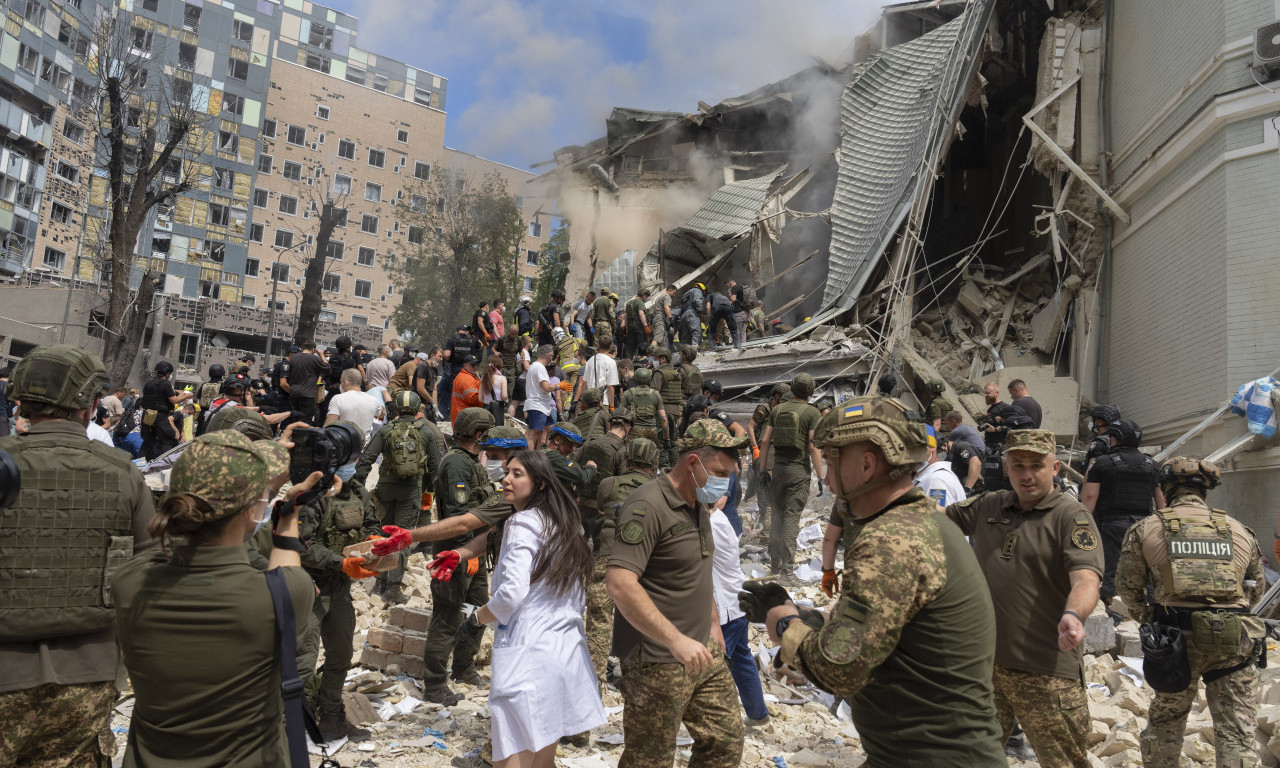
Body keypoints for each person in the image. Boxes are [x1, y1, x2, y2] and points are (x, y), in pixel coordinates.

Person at [746, 395, 1005, 764]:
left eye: (833, 463)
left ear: (867, 465)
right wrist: (803, 615)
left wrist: (785, 626)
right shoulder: (916, 522)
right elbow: (883, 629)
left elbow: (838, 670)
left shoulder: (891, 540)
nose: (829, 480)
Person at [111, 429, 318, 767]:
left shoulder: (129, 582)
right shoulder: (283, 594)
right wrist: (288, 513)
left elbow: (161, 553)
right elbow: (286, 564)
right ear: (253, 512)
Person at [0, 346, 155, 768]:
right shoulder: (123, 472)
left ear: (20, 401)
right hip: (87, 672)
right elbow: (151, 573)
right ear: (89, 405)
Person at [944, 429, 1103, 768]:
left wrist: (1073, 615)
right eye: (1018, 466)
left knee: (1064, 763)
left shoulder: (1071, 517)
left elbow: (1087, 578)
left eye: (1037, 465)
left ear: (1055, 468)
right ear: (1006, 468)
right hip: (986, 669)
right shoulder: (991, 504)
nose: (1027, 475)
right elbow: (939, 517)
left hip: (1046, 672)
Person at [607, 419, 746, 768]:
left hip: (702, 648)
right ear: (693, 463)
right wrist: (674, 640)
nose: (724, 481)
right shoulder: (648, 506)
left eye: (728, 473)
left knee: (725, 742)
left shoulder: (698, 503)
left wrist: (713, 621)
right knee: (649, 759)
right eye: (719, 471)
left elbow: (698, 568)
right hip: (657, 657)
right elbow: (620, 583)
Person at [455, 450, 605, 766]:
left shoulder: (522, 523)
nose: (506, 479)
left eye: (517, 474)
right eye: (506, 472)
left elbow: (511, 595)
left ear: (539, 484)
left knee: (510, 759)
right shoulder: (564, 526)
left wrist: (476, 619)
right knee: (543, 761)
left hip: (528, 655)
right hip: (565, 654)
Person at [1115, 457, 1266, 768]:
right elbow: (1255, 590)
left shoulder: (1146, 528)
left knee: (1167, 722)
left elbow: (1129, 588)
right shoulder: (1239, 530)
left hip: (1175, 641)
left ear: (1167, 489)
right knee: (1237, 734)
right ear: (1205, 491)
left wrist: (1149, 619)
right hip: (1234, 638)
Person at [295, 423, 381, 742]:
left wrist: (376, 544)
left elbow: (372, 523)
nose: (355, 465)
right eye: (353, 458)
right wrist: (340, 562)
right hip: (310, 588)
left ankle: (331, 716)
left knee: (341, 654)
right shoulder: (310, 492)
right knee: (303, 659)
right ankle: (292, 724)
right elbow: (301, 544)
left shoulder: (355, 489)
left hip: (340, 587)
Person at [422, 407, 497, 704]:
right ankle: (435, 683)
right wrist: (467, 552)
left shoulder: (469, 462)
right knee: (448, 614)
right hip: (456, 552)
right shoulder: (456, 464)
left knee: (476, 610)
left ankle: (464, 667)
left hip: (473, 551)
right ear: (479, 434)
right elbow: (457, 513)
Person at [354, 391, 429, 605]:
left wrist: (358, 488)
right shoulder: (425, 431)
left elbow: (367, 459)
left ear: (394, 409)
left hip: (385, 489)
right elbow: (434, 466)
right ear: (417, 410)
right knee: (402, 538)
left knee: (382, 535)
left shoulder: (386, 430)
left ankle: (379, 582)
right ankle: (394, 588)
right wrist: (428, 491)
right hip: (411, 490)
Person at [1080, 418, 1163, 609]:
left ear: (1115, 439)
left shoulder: (1101, 463)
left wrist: (1083, 525)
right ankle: (1147, 610)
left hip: (1111, 527)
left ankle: (1110, 610)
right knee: (1146, 571)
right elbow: (1162, 503)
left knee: (1111, 572)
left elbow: (1090, 497)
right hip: (1145, 528)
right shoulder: (1154, 465)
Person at [707, 494, 769, 726]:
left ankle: (717, 727)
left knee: (710, 671)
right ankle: (757, 713)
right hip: (737, 602)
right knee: (742, 659)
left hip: (725, 609)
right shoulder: (718, 518)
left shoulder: (710, 524)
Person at [757, 373, 824, 579]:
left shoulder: (777, 410)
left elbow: (765, 442)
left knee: (776, 516)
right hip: (799, 473)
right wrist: (821, 476)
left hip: (777, 471)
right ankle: (787, 572)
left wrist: (762, 470)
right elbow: (813, 447)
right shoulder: (812, 413)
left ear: (792, 389)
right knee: (791, 520)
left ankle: (775, 565)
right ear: (810, 391)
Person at [576, 409, 631, 554]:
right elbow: (622, 481)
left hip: (580, 502)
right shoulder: (621, 450)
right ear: (628, 428)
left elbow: (573, 467)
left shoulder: (589, 443)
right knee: (599, 549)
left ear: (610, 424)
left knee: (577, 544)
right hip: (601, 509)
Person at [746, 383, 790, 531]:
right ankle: (764, 519)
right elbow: (750, 427)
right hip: (761, 450)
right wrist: (754, 448)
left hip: (773, 452)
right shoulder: (765, 409)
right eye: (782, 397)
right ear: (776, 395)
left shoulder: (782, 410)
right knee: (763, 488)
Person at [139, 360, 193, 460]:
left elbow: (158, 396)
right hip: (160, 416)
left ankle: (141, 463)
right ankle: (160, 463)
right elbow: (174, 400)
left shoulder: (149, 382)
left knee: (148, 441)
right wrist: (187, 396)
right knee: (169, 440)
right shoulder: (165, 384)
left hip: (147, 415)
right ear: (167, 373)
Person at [914, 426, 966, 507]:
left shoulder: (936, 481)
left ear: (932, 448)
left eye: (918, 446)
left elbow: (939, 518)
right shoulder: (931, 475)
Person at [325, 368, 384, 438]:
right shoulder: (373, 400)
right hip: (365, 446)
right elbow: (382, 413)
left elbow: (329, 426)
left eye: (341, 381)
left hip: (345, 444)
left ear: (346, 382)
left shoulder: (338, 399)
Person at [619, 367, 668, 447]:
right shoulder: (656, 395)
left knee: (630, 455)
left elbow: (620, 415)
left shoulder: (628, 393)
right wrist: (667, 438)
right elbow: (663, 418)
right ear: (649, 379)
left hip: (633, 430)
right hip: (651, 431)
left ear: (635, 379)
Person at [286, 340, 329, 423]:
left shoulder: (293, 358)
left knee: (294, 419)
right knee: (305, 420)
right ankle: (302, 435)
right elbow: (328, 369)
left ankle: (294, 435)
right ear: (313, 350)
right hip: (308, 395)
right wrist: (322, 356)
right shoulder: (315, 359)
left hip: (294, 393)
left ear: (302, 348)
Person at [524, 344, 556, 450]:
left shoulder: (534, 366)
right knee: (533, 434)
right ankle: (529, 458)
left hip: (541, 406)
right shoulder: (539, 367)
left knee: (546, 431)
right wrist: (559, 386)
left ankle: (537, 455)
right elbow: (546, 387)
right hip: (538, 405)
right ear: (549, 356)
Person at [582, 339, 620, 409]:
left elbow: (584, 383)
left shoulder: (589, 361)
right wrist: (612, 405)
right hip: (604, 402)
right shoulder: (611, 362)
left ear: (598, 346)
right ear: (611, 347)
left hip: (589, 402)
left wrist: (583, 403)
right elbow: (611, 386)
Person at [451, 354, 484, 427]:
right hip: (465, 418)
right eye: (473, 365)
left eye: (477, 365)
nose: (475, 367)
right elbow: (473, 399)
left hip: (462, 416)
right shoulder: (466, 379)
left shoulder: (469, 377)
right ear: (465, 365)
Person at [621, 288, 651, 357]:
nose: (646, 298)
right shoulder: (640, 302)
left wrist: (627, 328)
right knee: (642, 347)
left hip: (631, 328)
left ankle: (628, 363)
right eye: (646, 296)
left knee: (630, 348)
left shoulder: (629, 303)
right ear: (643, 295)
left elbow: (625, 317)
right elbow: (641, 314)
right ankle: (641, 362)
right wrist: (646, 327)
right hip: (639, 329)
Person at [480, 359, 509, 427]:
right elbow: (504, 396)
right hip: (497, 409)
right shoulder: (502, 378)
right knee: (497, 430)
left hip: (486, 408)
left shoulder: (484, 378)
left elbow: (480, 398)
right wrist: (506, 400)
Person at [679, 282, 705, 347]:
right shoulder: (697, 291)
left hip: (684, 315)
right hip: (692, 312)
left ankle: (686, 351)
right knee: (696, 331)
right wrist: (699, 311)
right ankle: (694, 348)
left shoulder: (685, 294)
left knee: (686, 335)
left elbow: (681, 306)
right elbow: (698, 301)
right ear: (701, 289)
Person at [652, 285, 676, 351]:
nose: (674, 295)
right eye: (674, 293)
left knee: (661, 340)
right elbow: (666, 307)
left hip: (657, 318)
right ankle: (650, 356)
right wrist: (670, 318)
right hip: (660, 319)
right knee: (657, 339)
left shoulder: (660, 297)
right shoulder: (667, 296)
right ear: (670, 290)